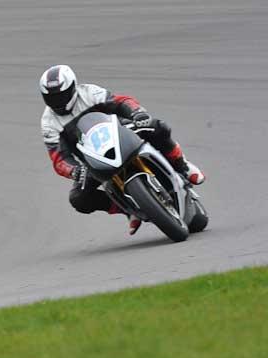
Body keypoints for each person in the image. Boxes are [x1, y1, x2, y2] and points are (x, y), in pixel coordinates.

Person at [39, 65, 205, 235]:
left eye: (61, 95)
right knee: (78, 199)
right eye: (51, 97)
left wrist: (137, 114)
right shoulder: (49, 123)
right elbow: (59, 158)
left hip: (120, 133)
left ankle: (182, 166)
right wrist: (74, 171)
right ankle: (127, 210)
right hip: (92, 159)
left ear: (73, 87)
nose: (57, 101)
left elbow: (121, 102)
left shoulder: (89, 93)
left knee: (159, 128)